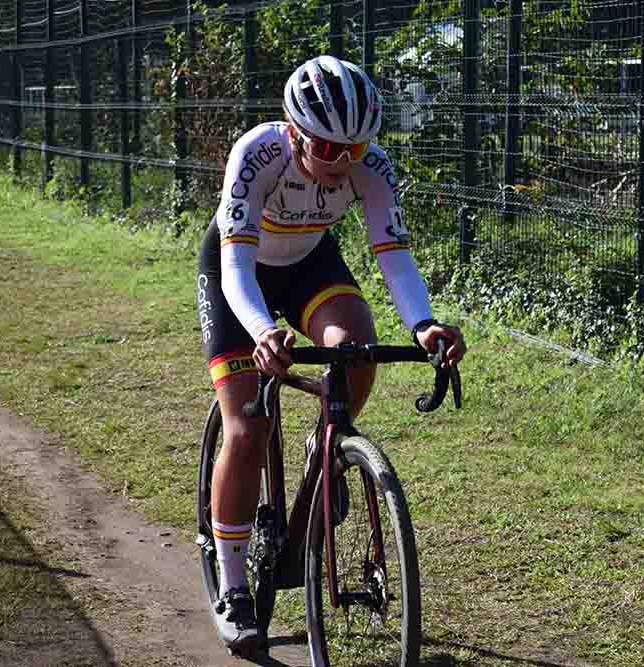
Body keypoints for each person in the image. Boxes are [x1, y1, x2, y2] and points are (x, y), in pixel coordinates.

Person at [196, 55, 467, 651]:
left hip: (309, 263)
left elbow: (393, 254)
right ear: (295, 133)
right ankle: (234, 584)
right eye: (326, 148)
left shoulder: (371, 166)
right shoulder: (257, 153)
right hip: (239, 271)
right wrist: (263, 329)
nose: (341, 162)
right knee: (247, 427)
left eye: (354, 149)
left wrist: (423, 324)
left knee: (356, 349)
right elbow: (236, 264)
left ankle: (328, 451)